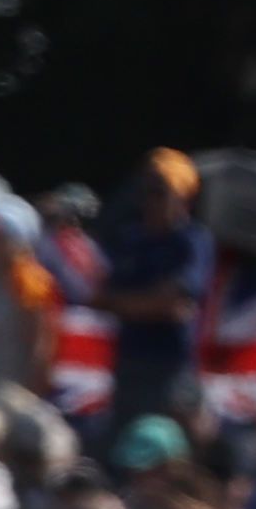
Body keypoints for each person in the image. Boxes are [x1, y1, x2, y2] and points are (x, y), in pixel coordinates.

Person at [98, 151, 206, 426]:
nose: (148, 200)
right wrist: (150, 303)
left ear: (183, 198)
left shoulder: (191, 241)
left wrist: (127, 303)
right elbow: (99, 297)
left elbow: (174, 300)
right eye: (145, 191)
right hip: (128, 362)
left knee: (161, 438)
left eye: (159, 192)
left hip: (168, 369)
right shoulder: (130, 239)